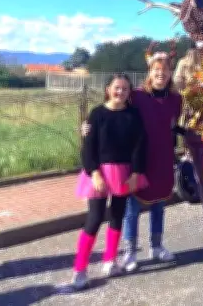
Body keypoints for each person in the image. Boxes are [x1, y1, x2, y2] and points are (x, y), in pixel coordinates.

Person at [81, 50, 183, 271]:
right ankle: (129, 251)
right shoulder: (136, 95)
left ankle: (156, 246)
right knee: (132, 207)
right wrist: (87, 127)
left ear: (170, 73)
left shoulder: (176, 99)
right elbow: (112, 114)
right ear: (150, 72)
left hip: (163, 156)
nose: (161, 74)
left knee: (159, 203)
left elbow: (174, 125)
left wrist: (195, 135)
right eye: (157, 70)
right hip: (137, 159)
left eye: (165, 71)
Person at [60, 73, 148, 292]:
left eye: (125, 89)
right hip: (99, 173)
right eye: (117, 88)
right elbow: (88, 147)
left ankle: (110, 261)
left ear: (129, 93)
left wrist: (136, 172)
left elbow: (139, 145)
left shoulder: (133, 114)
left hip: (124, 172)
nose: (120, 92)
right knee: (95, 218)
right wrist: (95, 173)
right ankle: (79, 269)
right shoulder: (97, 114)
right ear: (108, 89)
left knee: (118, 215)